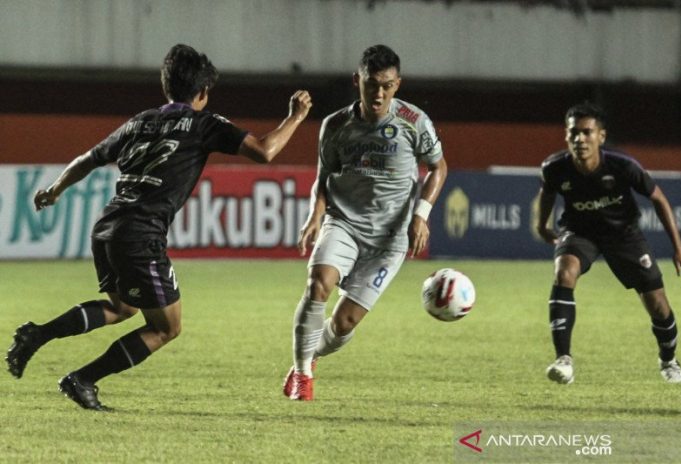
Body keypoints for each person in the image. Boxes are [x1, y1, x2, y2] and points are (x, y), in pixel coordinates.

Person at [5, 44, 312, 410]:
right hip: (140, 233)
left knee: (123, 309)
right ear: (202, 92)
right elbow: (264, 151)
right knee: (167, 327)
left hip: (107, 227)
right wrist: (295, 117)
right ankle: (82, 379)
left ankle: (38, 334)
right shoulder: (204, 123)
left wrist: (55, 190)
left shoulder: (140, 121)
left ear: (166, 86)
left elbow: (88, 159)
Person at [282, 44, 448, 401]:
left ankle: (307, 357)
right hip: (345, 223)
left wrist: (421, 215)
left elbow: (439, 167)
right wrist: (315, 215)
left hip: (390, 238)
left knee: (344, 324)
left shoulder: (413, 121)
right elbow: (324, 177)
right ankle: (302, 375)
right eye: (372, 84)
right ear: (357, 80)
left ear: (398, 84)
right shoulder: (336, 125)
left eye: (387, 85)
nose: (379, 93)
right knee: (318, 284)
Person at [535, 102, 681, 385]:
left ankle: (668, 360)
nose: (580, 139)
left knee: (657, 305)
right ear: (566, 136)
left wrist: (679, 249)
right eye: (574, 133)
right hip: (579, 231)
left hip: (623, 234)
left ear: (601, 137)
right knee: (564, 271)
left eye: (587, 133)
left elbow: (658, 198)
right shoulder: (555, 167)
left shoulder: (623, 166)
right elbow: (547, 192)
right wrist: (541, 225)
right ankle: (564, 360)